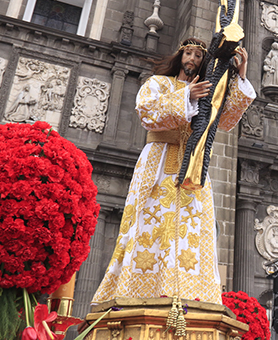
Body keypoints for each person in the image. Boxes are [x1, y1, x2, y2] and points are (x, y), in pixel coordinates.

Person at [92, 37, 255, 305]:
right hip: (158, 162)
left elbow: (225, 120)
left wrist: (241, 75)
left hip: (193, 166)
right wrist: (185, 96)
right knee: (149, 226)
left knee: (193, 227)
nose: (191, 59)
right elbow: (146, 112)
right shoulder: (158, 83)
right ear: (179, 56)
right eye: (188, 53)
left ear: (204, 62)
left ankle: (191, 293)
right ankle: (137, 291)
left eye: (198, 56)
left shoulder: (207, 90)